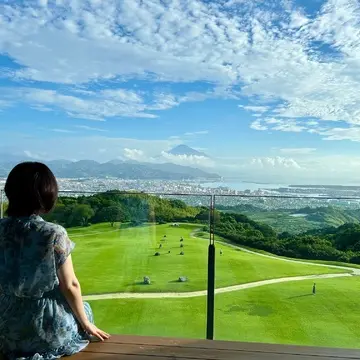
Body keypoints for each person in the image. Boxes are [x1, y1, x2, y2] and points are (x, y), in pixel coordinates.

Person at [0, 162, 110, 360]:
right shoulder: (52, 233)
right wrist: (86, 324)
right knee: (84, 309)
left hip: (5, 325)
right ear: (46, 194)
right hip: (44, 327)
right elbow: (70, 285)